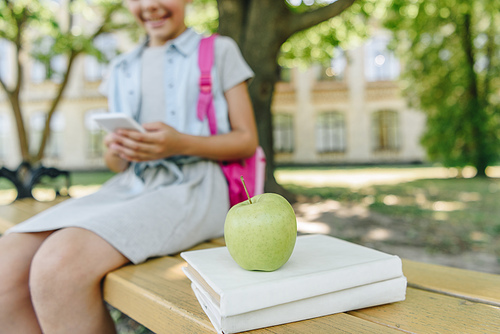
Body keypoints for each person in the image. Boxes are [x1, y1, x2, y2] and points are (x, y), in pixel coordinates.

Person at [0, 0, 258, 332]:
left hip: (195, 188)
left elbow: (247, 139)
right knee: (7, 260)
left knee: (58, 266)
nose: (150, 5)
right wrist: (117, 149)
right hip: (130, 187)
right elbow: (116, 165)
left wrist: (180, 143)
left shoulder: (219, 51)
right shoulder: (121, 67)